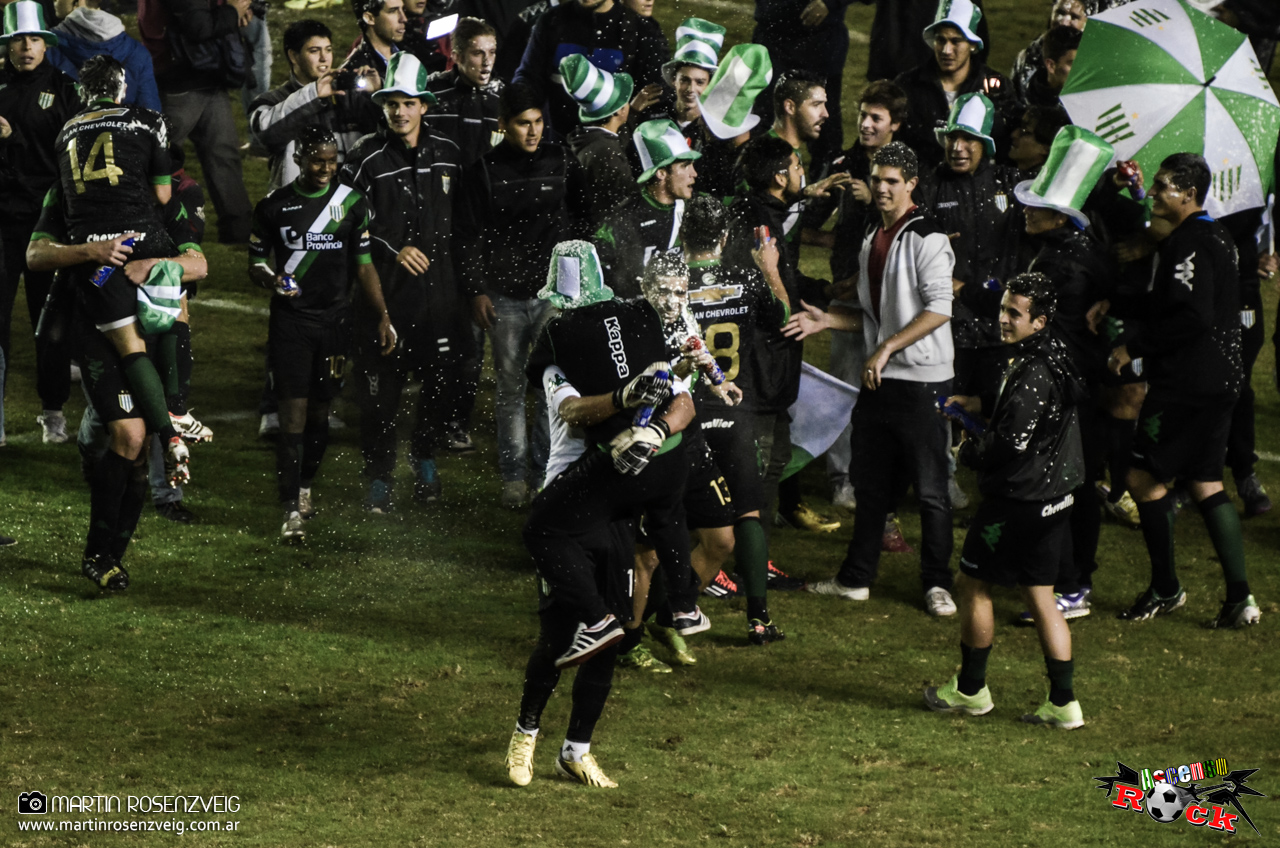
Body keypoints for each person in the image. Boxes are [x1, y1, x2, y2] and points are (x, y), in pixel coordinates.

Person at [507, 240, 706, 789]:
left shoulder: (627, 331)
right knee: (559, 634)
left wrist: (657, 426)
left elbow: (685, 401)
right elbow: (572, 412)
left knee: (610, 634)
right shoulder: (556, 352)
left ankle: (576, 749)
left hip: (617, 496)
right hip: (572, 498)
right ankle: (525, 733)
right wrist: (628, 396)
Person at [29, 58, 209, 590]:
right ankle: (97, 552)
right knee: (128, 437)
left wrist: (159, 263)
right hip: (101, 320)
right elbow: (36, 256)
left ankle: (111, 556)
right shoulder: (73, 192)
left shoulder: (182, 197)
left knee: (134, 443)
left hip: (152, 326)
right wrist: (92, 250)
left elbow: (200, 263)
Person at [790, 141, 958, 616]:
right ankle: (856, 578)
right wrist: (828, 321)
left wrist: (885, 347)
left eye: (892, 182)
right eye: (878, 179)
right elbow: (873, 316)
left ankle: (937, 583)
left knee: (931, 489)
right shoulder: (872, 237)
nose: (882, 189)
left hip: (922, 380)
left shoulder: (928, 238)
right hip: (882, 378)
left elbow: (940, 309)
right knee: (870, 484)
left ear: (912, 186)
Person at [923, 271, 1087, 731]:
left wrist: (969, 449)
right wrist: (979, 405)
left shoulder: (1032, 370)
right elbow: (1038, 421)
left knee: (973, 584)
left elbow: (1010, 444)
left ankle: (971, 690)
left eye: (1015, 313)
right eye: (1003, 309)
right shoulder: (1056, 356)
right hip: (1056, 497)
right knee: (1041, 594)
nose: (1004, 319)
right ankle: (1063, 702)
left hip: (1020, 500)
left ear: (1040, 320)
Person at [1106, 153, 1261, 629]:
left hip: (1188, 386)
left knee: (1141, 479)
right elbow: (1174, 302)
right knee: (1207, 481)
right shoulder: (1217, 237)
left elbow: (1190, 317)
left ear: (1188, 194)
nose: (1152, 193)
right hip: (1223, 385)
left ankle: (1166, 587)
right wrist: (1116, 300)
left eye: (1162, 186)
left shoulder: (1190, 244)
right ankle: (1239, 598)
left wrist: (1133, 349)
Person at [48, 55, 191, 481]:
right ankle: (178, 412)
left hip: (96, 253)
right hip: (144, 237)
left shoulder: (65, 133)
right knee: (171, 318)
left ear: (82, 91)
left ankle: (170, 436)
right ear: (121, 88)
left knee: (129, 346)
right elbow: (164, 196)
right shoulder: (147, 119)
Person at [249, 127, 394, 541]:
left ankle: (306, 484)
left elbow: (364, 265)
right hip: (292, 324)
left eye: (332, 161)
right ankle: (290, 508)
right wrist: (272, 279)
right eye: (318, 161)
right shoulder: (273, 207)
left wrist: (383, 315)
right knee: (292, 415)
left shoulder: (351, 203)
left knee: (319, 414)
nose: (326, 168)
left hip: (335, 323)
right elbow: (255, 262)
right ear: (298, 159)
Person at [340, 52, 468, 511]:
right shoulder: (361, 161)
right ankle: (378, 478)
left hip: (440, 302)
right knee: (380, 400)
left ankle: (425, 461)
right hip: (384, 304)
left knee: (438, 389)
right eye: (391, 103)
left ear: (424, 106)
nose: (399, 111)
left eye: (408, 102)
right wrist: (394, 248)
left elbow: (464, 225)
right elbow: (344, 227)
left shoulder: (450, 155)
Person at [458, 83, 587, 507]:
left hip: (556, 295)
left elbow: (579, 221)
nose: (533, 132)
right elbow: (468, 236)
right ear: (502, 125)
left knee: (553, 387)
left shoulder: (561, 160)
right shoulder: (482, 171)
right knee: (511, 388)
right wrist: (477, 291)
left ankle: (543, 471)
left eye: (537, 122)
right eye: (522, 124)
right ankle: (515, 476)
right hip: (507, 297)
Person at [1014, 125, 1117, 622]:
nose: (1026, 209)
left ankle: (1072, 584)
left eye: (1035, 204)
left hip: (1066, 387)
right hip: (1078, 383)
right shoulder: (1080, 249)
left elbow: (1026, 317)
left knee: (1066, 487)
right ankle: (1065, 579)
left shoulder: (1060, 265)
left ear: (1058, 215)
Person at [681, 195, 794, 642]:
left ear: (684, 234)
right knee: (747, 511)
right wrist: (770, 268)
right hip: (734, 410)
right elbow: (782, 315)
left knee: (669, 515)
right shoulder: (745, 279)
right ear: (725, 239)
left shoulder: (669, 283)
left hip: (684, 414)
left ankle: (669, 608)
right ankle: (759, 618)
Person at [816, 80, 907, 510]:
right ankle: (841, 478)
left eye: (877, 118)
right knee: (843, 388)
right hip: (851, 297)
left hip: (895, 299)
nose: (866, 125)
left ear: (895, 125)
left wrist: (873, 200)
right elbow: (811, 222)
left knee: (896, 388)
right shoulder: (843, 164)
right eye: (862, 115)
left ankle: (899, 473)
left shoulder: (906, 170)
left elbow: (909, 224)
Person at [0, 1, 77, 444]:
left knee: (50, 325)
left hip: (47, 223)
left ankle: (53, 410)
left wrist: (13, 141)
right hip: (3, 222)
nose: (26, 47)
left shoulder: (66, 90)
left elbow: (68, 156)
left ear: (45, 44)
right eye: (18, 39)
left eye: (33, 39)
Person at [140, 0, 255, 244]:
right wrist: (232, 11)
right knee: (159, 157)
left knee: (222, 154)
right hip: (183, 79)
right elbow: (198, 27)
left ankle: (240, 231)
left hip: (202, 77)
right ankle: (140, 223)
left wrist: (234, 12)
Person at [250, 18, 381, 192]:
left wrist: (378, 95)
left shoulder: (349, 97)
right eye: (314, 51)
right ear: (293, 56)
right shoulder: (272, 100)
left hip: (349, 202)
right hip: (299, 207)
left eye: (328, 50)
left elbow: (388, 138)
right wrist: (312, 94)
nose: (323, 58)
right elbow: (265, 135)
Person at [514, 0, 664, 138]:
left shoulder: (642, 32)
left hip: (612, 147)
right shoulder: (552, 21)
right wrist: (517, 107)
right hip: (557, 146)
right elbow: (528, 78)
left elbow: (654, 99)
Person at [895, 0, 1010, 171]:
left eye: (956, 41)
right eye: (941, 40)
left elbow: (1006, 146)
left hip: (975, 187)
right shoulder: (906, 86)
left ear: (972, 45)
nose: (946, 50)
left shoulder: (997, 87)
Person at [592, 118, 699, 298]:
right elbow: (599, 276)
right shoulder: (622, 219)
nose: (694, 174)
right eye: (685, 165)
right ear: (661, 173)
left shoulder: (696, 208)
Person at [751, 0, 854, 169]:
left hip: (819, 42)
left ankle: (826, 188)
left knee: (824, 133)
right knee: (764, 125)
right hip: (772, 37)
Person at [562, 55, 637, 231]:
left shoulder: (585, 140)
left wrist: (633, 113)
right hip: (605, 240)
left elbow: (610, 140)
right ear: (619, 111)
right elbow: (631, 201)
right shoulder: (607, 154)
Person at [50, 0, 162, 112]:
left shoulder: (45, 49)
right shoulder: (137, 50)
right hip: (127, 126)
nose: (54, 2)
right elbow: (150, 108)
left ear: (77, 3)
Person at [425, 16, 503, 165]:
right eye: (477, 53)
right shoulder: (431, 91)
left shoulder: (504, 96)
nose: (487, 62)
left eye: (492, 52)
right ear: (457, 57)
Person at [1010, 0, 1092, 111]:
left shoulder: (1098, 59)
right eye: (1060, 13)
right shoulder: (1027, 57)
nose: (1065, 22)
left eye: (1074, 17)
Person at [1013, 24, 1079, 113]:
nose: (1081, 70)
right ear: (1051, 65)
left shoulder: (1092, 99)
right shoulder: (1021, 102)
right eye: (1073, 64)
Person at [344, 0, 407, 80]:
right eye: (393, 11)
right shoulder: (354, 71)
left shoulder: (414, 51)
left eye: (403, 10)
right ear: (369, 18)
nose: (404, 19)